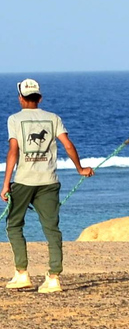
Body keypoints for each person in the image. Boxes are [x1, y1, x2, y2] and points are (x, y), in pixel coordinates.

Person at [2, 79, 94, 293]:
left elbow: (13, 152)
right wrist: (80, 169)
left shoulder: (14, 119)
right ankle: (54, 277)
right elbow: (68, 145)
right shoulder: (53, 118)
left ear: (20, 98)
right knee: (52, 229)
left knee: (14, 225)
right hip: (49, 182)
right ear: (39, 98)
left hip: (24, 181)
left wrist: (6, 184)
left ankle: (22, 273)